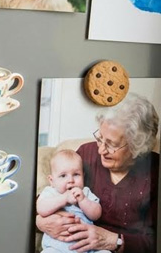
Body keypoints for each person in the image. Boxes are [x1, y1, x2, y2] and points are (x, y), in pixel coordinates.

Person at [37, 93, 159, 253]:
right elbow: (43, 200)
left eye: (111, 144)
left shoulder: (155, 172)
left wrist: (113, 241)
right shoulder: (86, 154)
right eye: (100, 138)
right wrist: (41, 222)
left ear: (137, 146)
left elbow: (154, 241)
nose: (101, 149)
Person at [37, 149, 106, 253]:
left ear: (83, 175)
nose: (71, 180)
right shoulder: (51, 192)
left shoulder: (85, 192)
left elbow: (96, 214)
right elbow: (41, 209)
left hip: (87, 248)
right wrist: (64, 198)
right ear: (52, 181)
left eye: (76, 174)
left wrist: (83, 200)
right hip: (56, 248)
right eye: (63, 175)